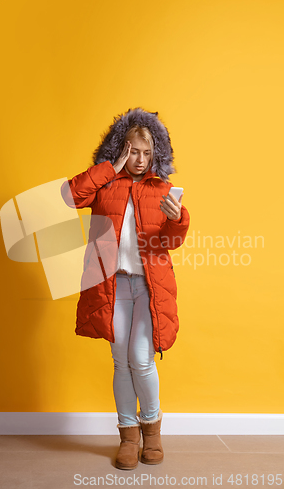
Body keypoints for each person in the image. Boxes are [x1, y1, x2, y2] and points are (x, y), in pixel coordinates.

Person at [61, 107, 190, 470]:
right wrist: (108, 169)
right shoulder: (104, 185)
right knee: (121, 362)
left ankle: (152, 432)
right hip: (112, 286)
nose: (140, 159)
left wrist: (178, 218)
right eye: (133, 151)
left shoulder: (162, 189)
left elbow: (170, 241)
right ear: (121, 148)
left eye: (147, 153)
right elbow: (70, 196)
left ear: (157, 154)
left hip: (149, 287)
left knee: (141, 359)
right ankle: (128, 437)